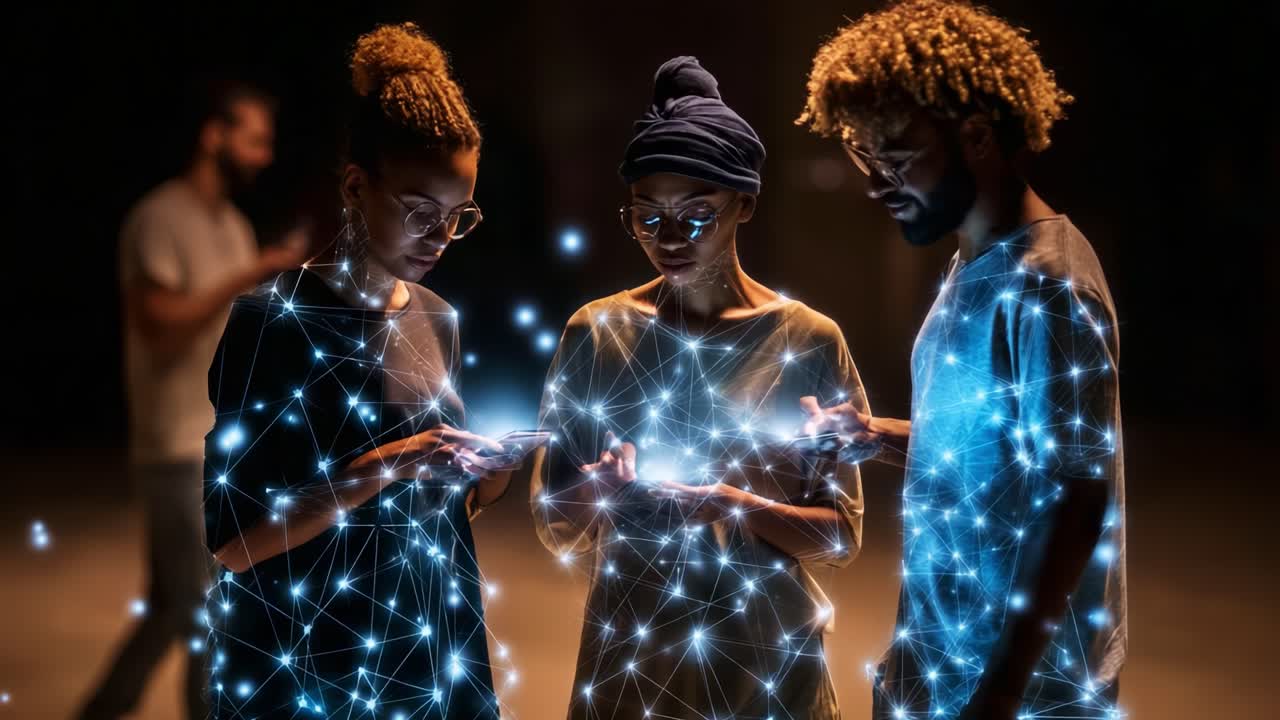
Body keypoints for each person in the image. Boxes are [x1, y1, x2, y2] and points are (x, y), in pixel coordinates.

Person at [797, 2, 1127, 718]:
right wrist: (873, 437)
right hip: (939, 672)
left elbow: (1074, 497)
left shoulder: (1048, 284)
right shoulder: (972, 265)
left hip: (1024, 696)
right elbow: (1005, 457)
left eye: (895, 158)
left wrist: (998, 694)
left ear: (976, 135)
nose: (876, 183)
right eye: (864, 160)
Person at [531, 56, 873, 720]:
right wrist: (596, 491)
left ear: (744, 202)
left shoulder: (807, 339)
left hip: (770, 677)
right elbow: (553, 523)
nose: (669, 238)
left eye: (695, 214)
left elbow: (839, 538)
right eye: (646, 216)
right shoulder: (597, 334)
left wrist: (730, 504)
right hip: (634, 674)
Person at [202, 23, 515, 718]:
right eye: (420, 212)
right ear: (354, 186)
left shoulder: (438, 316)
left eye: (459, 218)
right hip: (308, 669)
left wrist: (489, 474)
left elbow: (435, 515)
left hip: (429, 660)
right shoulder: (273, 321)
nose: (439, 238)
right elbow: (234, 542)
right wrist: (393, 461)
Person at [79, 80, 307, 720]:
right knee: (207, 614)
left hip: (220, 444)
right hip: (173, 445)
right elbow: (162, 325)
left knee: (169, 608)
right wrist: (249, 273)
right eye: (254, 139)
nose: (264, 155)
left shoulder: (232, 226)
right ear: (214, 134)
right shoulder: (159, 218)